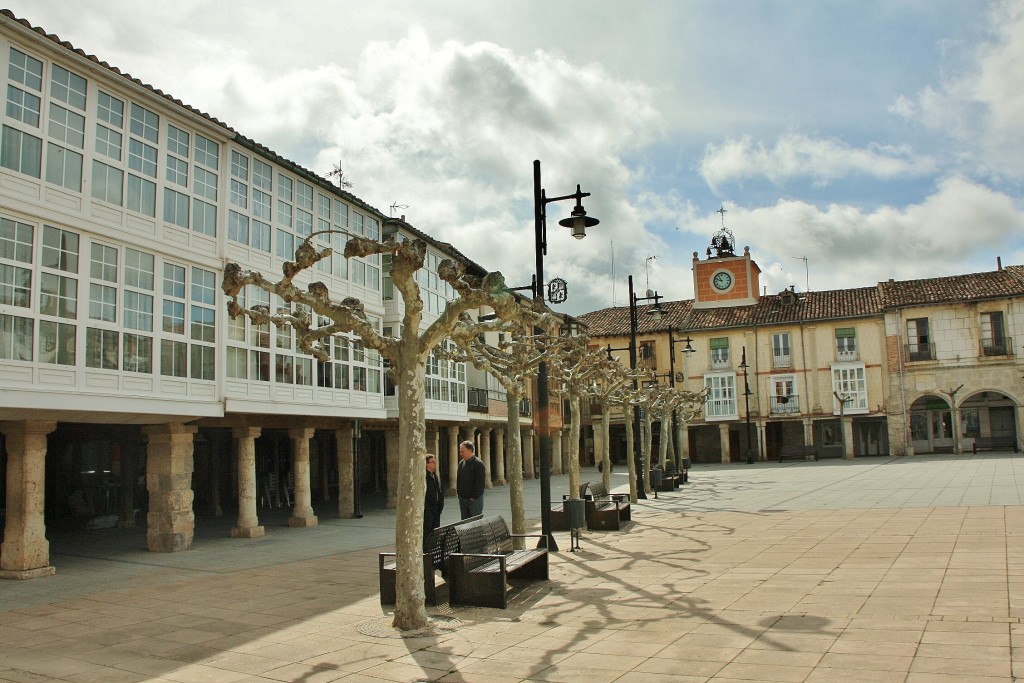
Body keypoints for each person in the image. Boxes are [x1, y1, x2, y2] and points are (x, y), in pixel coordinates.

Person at [456, 440, 485, 519]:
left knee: (475, 523)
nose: (460, 454)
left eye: (463, 451)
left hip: (474, 500)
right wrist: (459, 494)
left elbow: (480, 483)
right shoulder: (461, 463)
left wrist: (474, 497)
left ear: (470, 450)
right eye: (460, 451)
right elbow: (459, 479)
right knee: (464, 523)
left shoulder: (478, 464)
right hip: (463, 499)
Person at [423, 454, 444, 548]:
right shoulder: (424, 477)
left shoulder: (434, 476)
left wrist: (440, 506)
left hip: (436, 509)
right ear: (426, 464)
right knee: (427, 531)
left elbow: (439, 492)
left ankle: (433, 551)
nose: (435, 463)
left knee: (435, 532)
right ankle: (426, 551)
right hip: (428, 510)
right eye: (432, 462)